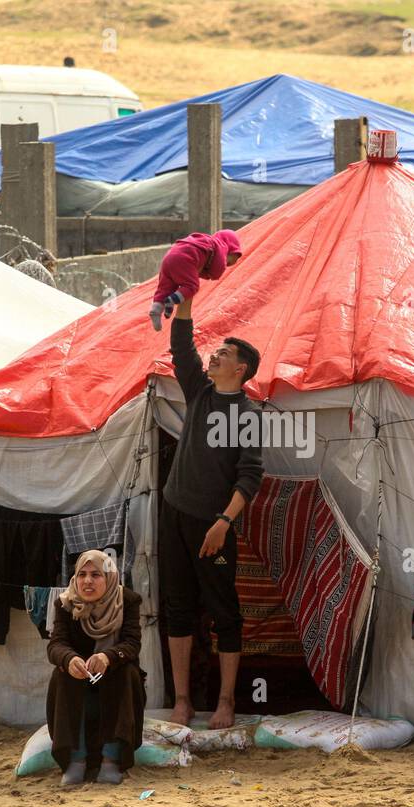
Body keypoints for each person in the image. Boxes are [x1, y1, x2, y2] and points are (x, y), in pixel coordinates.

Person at [160, 297, 263, 729]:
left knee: (225, 612)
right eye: (217, 351)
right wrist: (184, 300)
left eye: (224, 353)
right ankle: (182, 701)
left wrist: (224, 523)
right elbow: (182, 347)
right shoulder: (200, 392)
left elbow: (250, 476)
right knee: (177, 607)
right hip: (175, 514)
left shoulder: (248, 414)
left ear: (239, 369)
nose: (214, 355)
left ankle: (225, 703)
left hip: (214, 526)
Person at [45, 550, 146, 786]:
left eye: (96, 575)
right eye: (82, 574)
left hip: (115, 682)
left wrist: (108, 657)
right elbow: (56, 645)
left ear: (109, 578)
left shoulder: (128, 601)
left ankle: (111, 760)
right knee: (61, 674)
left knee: (126, 671)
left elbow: (132, 643)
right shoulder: (65, 603)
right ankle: (75, 760)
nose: (87, 581)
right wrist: (69, 659)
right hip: (80, 684)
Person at [148, 229, 242, 331]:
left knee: (165, 287)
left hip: (169, 256)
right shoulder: (220, 246)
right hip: (184, 260)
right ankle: (171, 300)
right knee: (191, 286)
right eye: (228, 262)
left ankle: (156, 309)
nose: (226, 264)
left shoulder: (203, 241)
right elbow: (216, 271)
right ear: (231, 249)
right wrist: (210, 274)